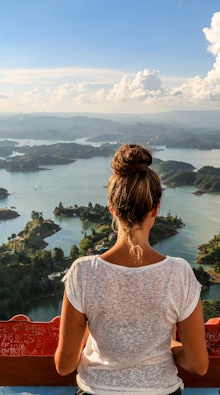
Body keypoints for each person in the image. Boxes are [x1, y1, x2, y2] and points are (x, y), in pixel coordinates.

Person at [54, 144, 208, 395]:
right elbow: (198, 364)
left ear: (112, 208)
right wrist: (169, 345)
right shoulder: (179, 273)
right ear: (156, 209)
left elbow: (64, 366)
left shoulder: (83, 272)